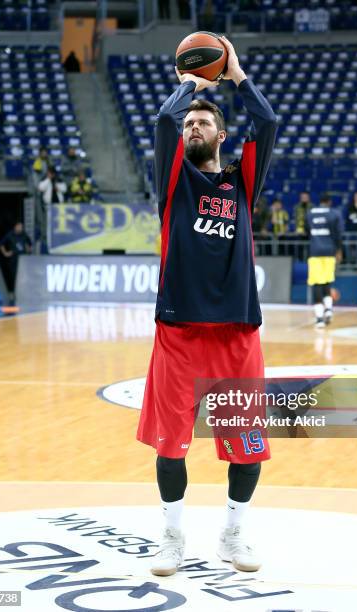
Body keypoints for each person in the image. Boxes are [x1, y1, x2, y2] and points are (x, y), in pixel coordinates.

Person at [136, 36, 277, 577]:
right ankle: (172, 536)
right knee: (171, 446)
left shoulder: (242, 182)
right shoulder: (174, 183)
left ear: (222, 134)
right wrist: (191, 85)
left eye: (204, 122)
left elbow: (266, 126)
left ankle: (234, 532)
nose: (193, 127)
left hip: (237, 333)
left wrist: (236, 75)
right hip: (180, 332)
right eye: (190, 122)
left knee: (246, 447)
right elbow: (162, 126)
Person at [306, 193, 343, 328]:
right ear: (329, 202)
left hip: (315, 251)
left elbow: (306, 232)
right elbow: (338, 234)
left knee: (316, 284)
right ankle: (328, 309)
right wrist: (339, 249)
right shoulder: (334, 214)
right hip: (329, 251)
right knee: (327, 281)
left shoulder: (310, 213)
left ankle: (319, 319)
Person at [0, 222, 32, 298]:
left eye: (21, 227)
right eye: (19, 226)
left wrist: (28, 249)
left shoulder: (24, 234)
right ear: (15, 227)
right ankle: (14, 293)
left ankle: (23, 292)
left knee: (24, 275)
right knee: (14, 276)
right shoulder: (10, 235)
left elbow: (29, 243)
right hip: (13, 258)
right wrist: (5, 253)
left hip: (23, 258)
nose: (20, 228)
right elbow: (1, 244)